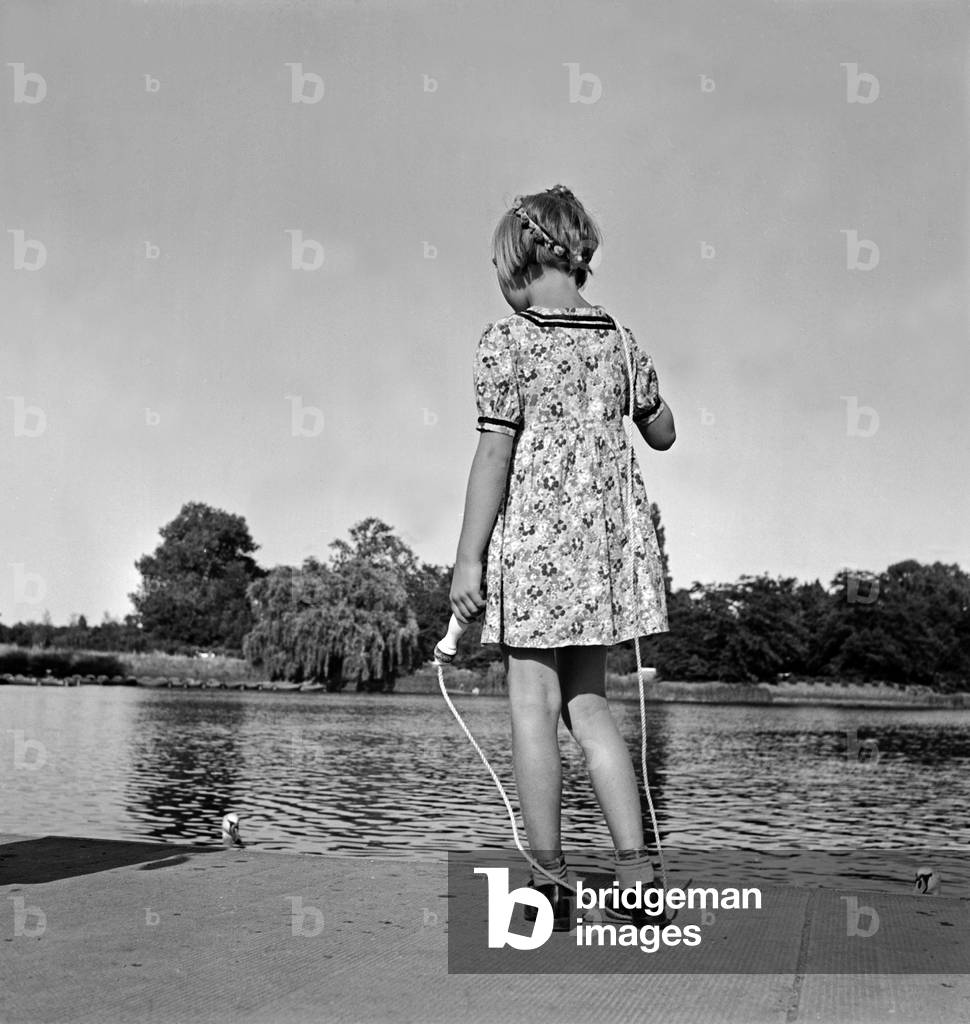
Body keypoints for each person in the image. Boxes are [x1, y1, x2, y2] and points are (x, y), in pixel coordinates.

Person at [449, 184, 677, 929]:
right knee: (592, 710)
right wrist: (645, 397)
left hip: (540, 547)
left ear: (522, 259)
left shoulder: (508, 341)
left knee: (532, 709)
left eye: (496, 265)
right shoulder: (619, 339)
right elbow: (664, 433)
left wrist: (468, 559)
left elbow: (493, 451)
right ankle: (639, 878)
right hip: (603, 555)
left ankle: (549, 884)